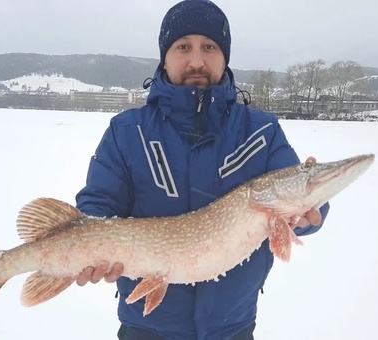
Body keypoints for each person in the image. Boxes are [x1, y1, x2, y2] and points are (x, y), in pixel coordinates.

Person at [75, 0, 329, 339]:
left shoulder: (261, 131)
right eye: (183, 47)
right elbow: (97, 207)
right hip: (145, 328)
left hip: (232, 326)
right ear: (165, 57)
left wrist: (314, 208)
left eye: (209, 47)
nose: (197, 60)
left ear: (224, 56)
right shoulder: (127, 131)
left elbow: (296, 192)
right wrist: (89, 252)